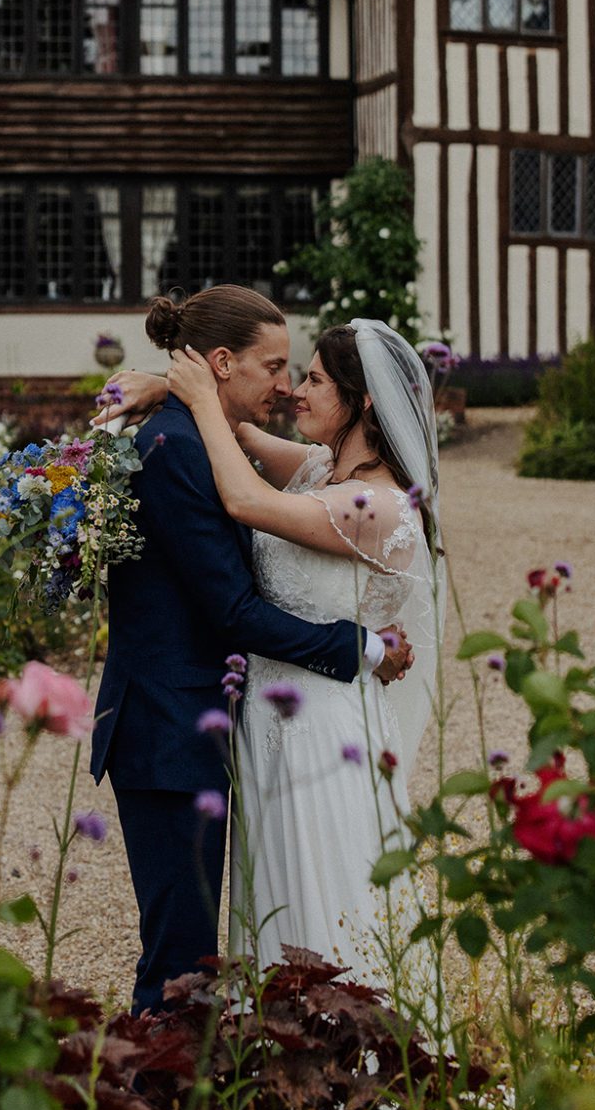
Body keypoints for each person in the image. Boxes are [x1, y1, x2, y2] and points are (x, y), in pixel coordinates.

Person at [90, 285, 413, 1015]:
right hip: (169, 730)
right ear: (224, 362)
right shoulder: (176, 448)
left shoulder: (296, 470)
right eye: (277, 367)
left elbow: (242, 479)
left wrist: (170, 384)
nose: (287, 386)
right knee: (181, 960)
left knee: (237, 934)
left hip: (248, 730)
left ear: (361, 404)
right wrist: (359, 646)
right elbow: (234, 608)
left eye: (307, 376)